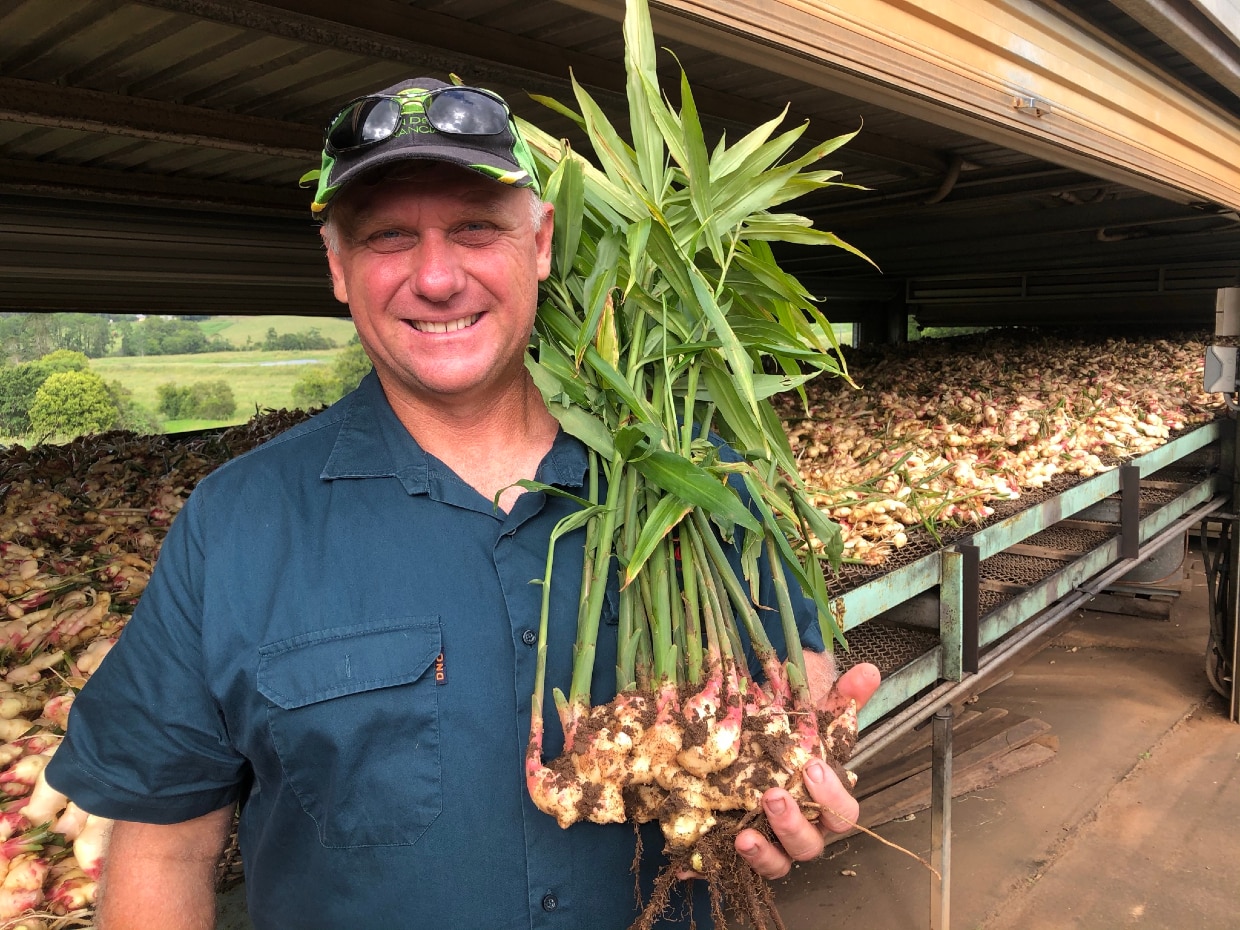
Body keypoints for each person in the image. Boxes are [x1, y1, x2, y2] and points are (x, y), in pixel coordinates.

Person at [45, 77, 881, 930]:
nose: (437, 278)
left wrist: (803, 780)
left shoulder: (705, 475)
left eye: (476, 228)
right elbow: (163, 847)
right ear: (337, 267)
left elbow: (801, 680)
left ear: (543, 242)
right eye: (388, 237)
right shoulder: (237, 525)